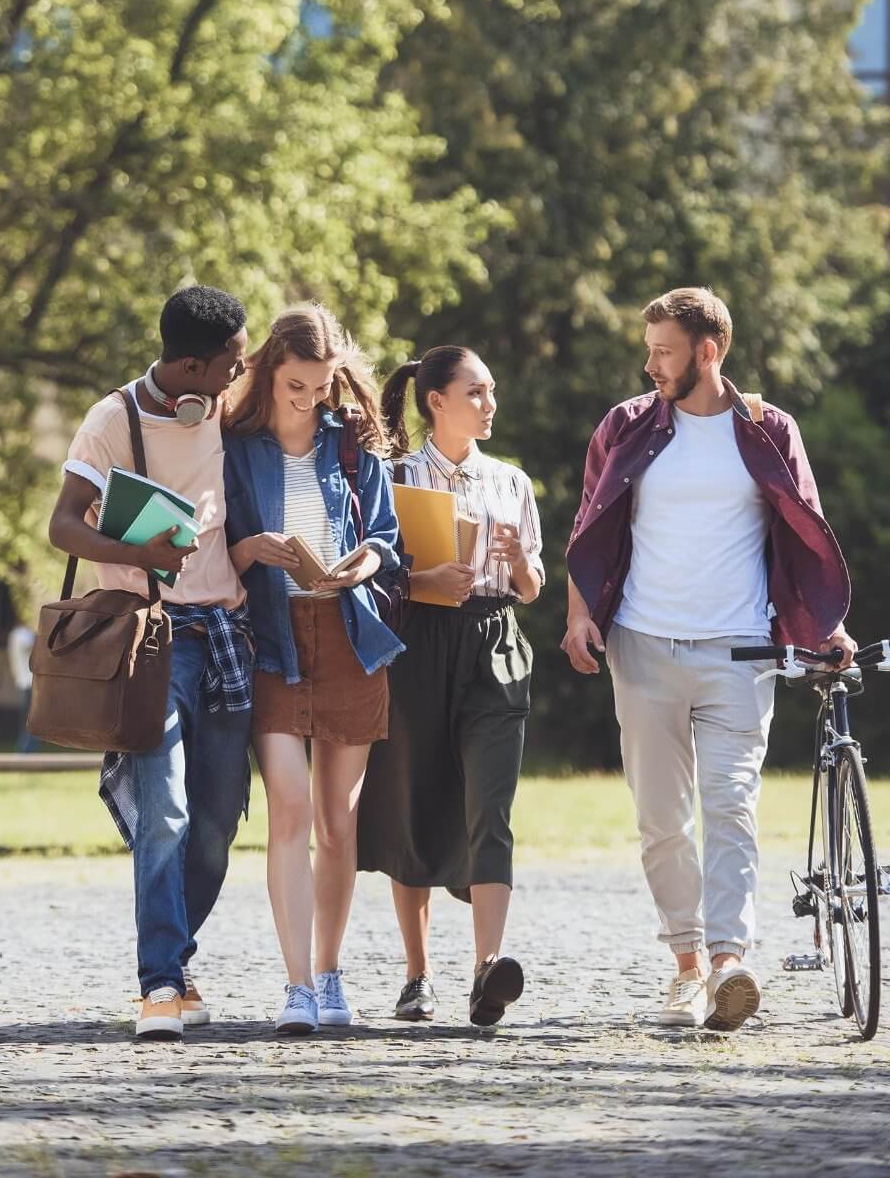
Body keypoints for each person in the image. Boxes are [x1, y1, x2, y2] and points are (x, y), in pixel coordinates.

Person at [562, 287, 855, 1032]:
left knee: (731, 804)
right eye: (651, 349)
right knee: (662, 820)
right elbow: (591, 524)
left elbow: (805, 531)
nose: (651, 363)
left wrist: (827, 625)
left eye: (664, 351)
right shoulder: (627, 426)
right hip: (643, 644)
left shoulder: (767, 430)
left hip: (739, 651)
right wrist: (577, 616)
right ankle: (686, 967)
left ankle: (729, 962)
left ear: (708, 351)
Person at [47, 285, 250, 1042]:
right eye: (230, 363)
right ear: (191, 364)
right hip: (150, 639)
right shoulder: (113, 419)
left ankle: (176, 956)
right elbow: (64, 525)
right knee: (162, 809)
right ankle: (159, 983)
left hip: (225, 635)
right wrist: (138, 553)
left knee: (218, 823)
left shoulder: (232, 408)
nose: (238, 374)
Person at [223, 305, 404, 1036]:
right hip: (271, 642)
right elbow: (211, 547)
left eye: (322, 386)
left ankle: (330, 974)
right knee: (290, 810)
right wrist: (249, 551)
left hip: (350, 635)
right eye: (296, 386)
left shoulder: (353, 444)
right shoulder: (234, 446)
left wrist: (365, 561)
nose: (310, 400)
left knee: (338, 820)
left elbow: (386, 539)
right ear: (270, 370)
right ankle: (296, 986)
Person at [357, 345, 543, 1029]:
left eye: (492, 392)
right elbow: (375, 572)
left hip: (495, 640)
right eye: (477, 392)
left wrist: (520, 560)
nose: (490, 404)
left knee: (490, 807)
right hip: (417, 644)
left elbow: (532, 588)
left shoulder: (511, 482)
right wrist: (425, 582)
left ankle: (487, 971)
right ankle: (417, 975)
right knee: (415, 797)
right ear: (436, 400)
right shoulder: (394, 477)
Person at [6, 621, 41, 753]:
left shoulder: (14, 635)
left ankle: (26, 749)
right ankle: (25, 750)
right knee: (32, 720)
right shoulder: (22, 635)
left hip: (25, 682)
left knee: (30, 719)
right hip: (30, 683)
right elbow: (35, 645)